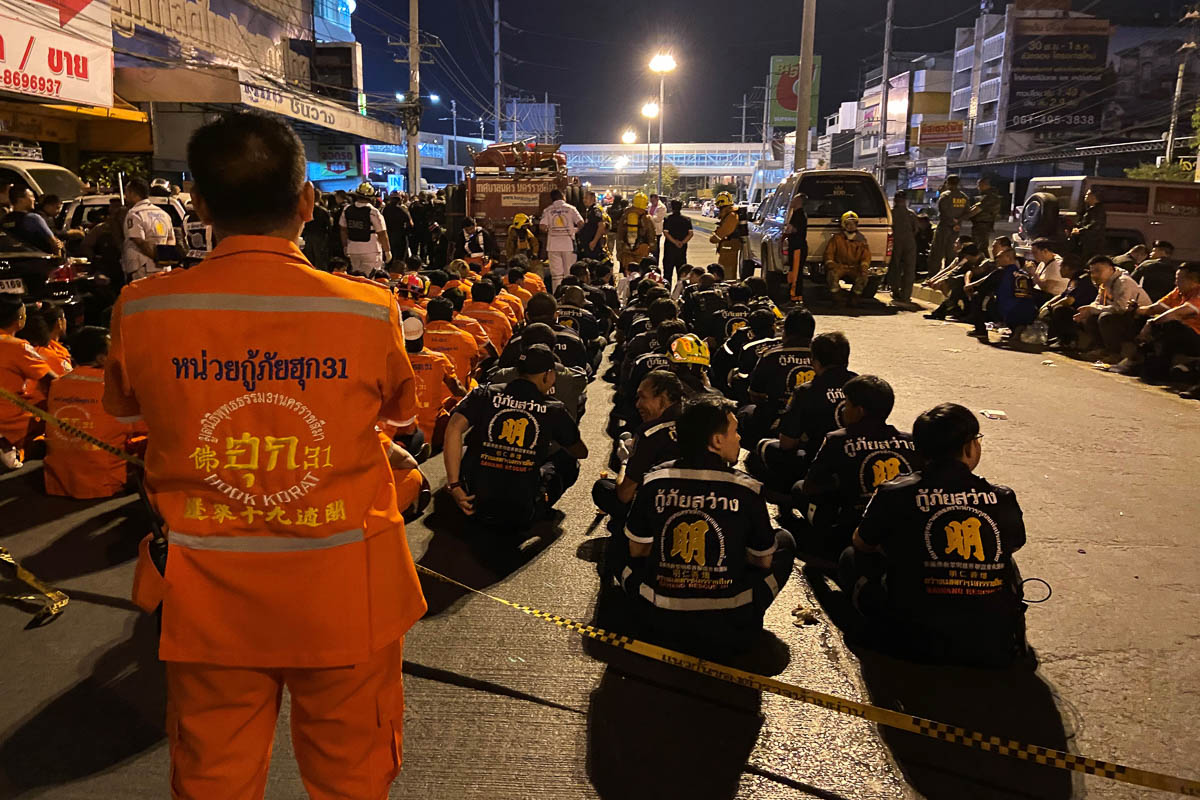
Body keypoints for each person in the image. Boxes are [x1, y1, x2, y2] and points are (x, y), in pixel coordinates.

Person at [101, 111, 425, 799]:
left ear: (203, 205)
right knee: (353, 779)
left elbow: (128, 413)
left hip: (209, 597)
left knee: (213, 779)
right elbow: (399, 416)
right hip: (347, 594)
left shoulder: (141, 310)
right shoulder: (369, 312)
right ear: (307, 204)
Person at [842, 402, 1030, 667]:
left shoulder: (894, 492)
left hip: (911, 639)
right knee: (1005, 561)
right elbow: (1014, 543)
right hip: (990, 642)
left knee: (851, 557)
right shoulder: (1001, 497)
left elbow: (862, 544)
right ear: (968, 447)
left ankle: (879, 624)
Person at [620, 393, 796, 656]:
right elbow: (762, 562)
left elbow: (638, 551)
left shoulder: (654, 480)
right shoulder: (747, 489)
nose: (739, 438)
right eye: (735, 431)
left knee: (618, 547)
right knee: (783, 542)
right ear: (716, 441)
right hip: (730, 627)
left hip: (656, 622)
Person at [443, 344, 588, 529]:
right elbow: (581, 451)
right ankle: (542, 508)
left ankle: (463, 493)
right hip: (523, 512)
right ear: (548, 375)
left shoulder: (485, 393)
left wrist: (454, 485)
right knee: (568, 459)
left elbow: (454, 428)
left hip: (476, 504)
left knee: (464, 448)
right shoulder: (553, 409)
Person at [797, 375, 916, 551]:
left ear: (859, 411)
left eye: (847, 404)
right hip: (897, 526)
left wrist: (840, 482)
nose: (843, 410)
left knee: (798, 489)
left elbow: (810, 486)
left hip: (851, 525)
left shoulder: (837, 439)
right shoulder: (910, 441)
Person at [44, 326, 148, 498]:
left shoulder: (57, 384)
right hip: (103, 482)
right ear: (102, 359)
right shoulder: (117, 389)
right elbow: (146, 427)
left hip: (58, 481)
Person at [750, 331, 855, 493]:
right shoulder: (861, 385)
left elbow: (787, 443)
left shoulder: (806, 391)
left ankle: (782, 496)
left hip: (817, 463)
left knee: (764, 447)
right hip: (854, 460)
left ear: (815, 361)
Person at [592, 369, 684, 534]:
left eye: (642, 397)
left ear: (663, 399)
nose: (637, 404)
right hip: (704, 504)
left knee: (602, 488)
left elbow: (624, 494)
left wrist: (626, 461)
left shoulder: (650, 432)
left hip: (662, 510)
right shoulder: (698, 421)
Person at [740, 308, 816, 446]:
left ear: (785, 332)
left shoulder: (770, 355)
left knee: (744, 412)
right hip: (814, 418)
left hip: (776, 417)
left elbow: (755, 395)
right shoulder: (821, 356)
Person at [1115, 262, 1200, 378]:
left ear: (1193, 280)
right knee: (1139, 318)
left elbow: (1177, 312)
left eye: (1179, 279)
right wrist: (1136, 310)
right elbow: (1153, 309)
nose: (1175, 283)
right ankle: (1135, 358)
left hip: (1195, 338)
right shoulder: (1178, 292)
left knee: (1169, 324)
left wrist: (1151, 323)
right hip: (1181, 335)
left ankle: (1154, 364)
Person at [0, 297, 57, 468]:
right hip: (9, 419)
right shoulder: (18, 347)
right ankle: (13, 447)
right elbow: (53, 380)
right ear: (20, 319)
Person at [490, 323, 588, 422]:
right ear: (553, 349)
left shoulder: (501, 377)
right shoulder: (572, 378)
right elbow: (583, 375)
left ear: (521, 348)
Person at [403, 316, 465, 451]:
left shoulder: (391, 359)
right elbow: (457, 389)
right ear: (423, 332)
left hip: (397, 430)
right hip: (432, 437)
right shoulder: (439, 360)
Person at [1072, 255, 1151, 361]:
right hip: (1124, 318)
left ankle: (1115, 353)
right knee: (1090, 317)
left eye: (1098, 271)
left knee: (1106, 317)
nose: (1094, 275)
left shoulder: (1123, 282)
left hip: (1137, 320)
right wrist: (1087, 310)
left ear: (1110, 269)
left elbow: (1120, 308)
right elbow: (1097, 302)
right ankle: (1101, 349)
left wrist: (1093, 309)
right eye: (1092, 272)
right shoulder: (1105, 284)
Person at [966, 245, 1038, 340]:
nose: (997, 260)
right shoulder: (1023, 274)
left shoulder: (1001, 272)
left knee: (977, 296)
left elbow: (982, 287)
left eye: (999, 257)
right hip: (1030, 314)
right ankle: (1014, 330)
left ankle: (980, 330)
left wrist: (970, 290)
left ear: (1008, 258)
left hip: (1009, 312)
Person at [121, 179, 176, 282]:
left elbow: (140, 241)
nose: (125, 196)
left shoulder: (134, 214)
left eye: (127, 192)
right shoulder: (163, 213)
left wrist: (157, 257)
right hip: (164, 269)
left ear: (133, 193)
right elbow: (171, 238)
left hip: (143, 269)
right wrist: (165, 258)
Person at [423, 296, 485, 386]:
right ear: (452, 317)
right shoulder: (467, 338)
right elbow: (474, 363)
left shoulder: (418, 338)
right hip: (458, 396)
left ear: (427, 316)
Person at [340, 182, 391, 275]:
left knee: (356, 278)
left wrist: (345, 246)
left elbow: (343, 230)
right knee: (371, 278)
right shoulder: (373, 212)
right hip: (371, 250)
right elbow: (382, 233)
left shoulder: (347, 210)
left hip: (353, 249)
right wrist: (387, 251)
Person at [824, 211, 872, 305]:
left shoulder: (861, 240)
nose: (851, 226)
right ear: (843, 224)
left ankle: (855, 297)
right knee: (832, 275)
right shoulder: (837, 238)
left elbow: (865, 255)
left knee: (863, 278)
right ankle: (837, 298)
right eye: (848, 224)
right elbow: (829, 252)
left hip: (855, 267)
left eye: (854, 223)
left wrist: (864, 268)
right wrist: (830, 264)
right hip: (839, 266)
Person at [540, 189, 583, 290]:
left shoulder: (548, 210)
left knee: (556, 275)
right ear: (563, 196)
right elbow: (581, 223)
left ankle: (557, 295)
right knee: (569, 273)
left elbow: (542, 226)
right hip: (568, 245)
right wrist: (574, 230)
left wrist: (551, 231)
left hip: (553, 246)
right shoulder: (571, 209)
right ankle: (569, 294)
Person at [1, 186, 62, 255]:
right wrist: (58, 260)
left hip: (11, 261)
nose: (34, 199)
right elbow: (54, 243)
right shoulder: (32, 218)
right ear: (21, 200)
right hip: (36, 261)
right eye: (31, 196)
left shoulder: (4, 220)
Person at [927, 176, 969, 273]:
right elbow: (967, 213)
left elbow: (943, 211)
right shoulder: (964, 197)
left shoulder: (945, 195)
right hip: (956, 229)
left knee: (937, 252)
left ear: (948, 183)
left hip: (944, 227)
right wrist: (958, 221)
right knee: (951, 253)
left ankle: (933, 275)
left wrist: (952, 221)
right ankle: (947, 276)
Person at [886, 191, 919, 308]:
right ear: (905, 200)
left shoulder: (891, 213)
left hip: (896, 242)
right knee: (909, 268)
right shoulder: (911, 214)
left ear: (895, 200)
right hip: (909, 242)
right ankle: (906, 295)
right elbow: (916, 230)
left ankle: (895, 291)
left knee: (895, 266)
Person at [461, 279, 514, 350]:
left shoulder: (462, 313)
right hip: (493, 359)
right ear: (493, 297)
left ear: (472, 296)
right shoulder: (500, 317)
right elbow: (508, 341)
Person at [615, 192, 657, 273]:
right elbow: (651, 234)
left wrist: (619, 251)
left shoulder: (625, 215)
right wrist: (652, 247)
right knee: (639, 271)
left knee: (627, 271)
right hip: (642, 249)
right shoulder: (647, 217)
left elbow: (619, 233)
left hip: (626, 249)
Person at [708, 192, 744, 275]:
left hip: (729, 246)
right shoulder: (729, 214)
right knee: (725, 270)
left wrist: (714, 238)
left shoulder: (731, 216)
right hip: (728, 246)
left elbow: (723, 232)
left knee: (727, 272)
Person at [965, 176, 1003, 252]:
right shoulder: (986, 196)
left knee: (980, 248)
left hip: (982, 225)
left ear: (986, 185)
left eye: (980, 185)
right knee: (979, 247)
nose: (978, 187)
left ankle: (985, 263)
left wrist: (963, 216)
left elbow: (976, 210)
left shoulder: (990, 197)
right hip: (981, 225)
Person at [784, 192, 809, 304]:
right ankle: (794, 296)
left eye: (794, 200)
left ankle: (795, 298)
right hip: (794, 247)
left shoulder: (799, 215)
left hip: (798, 248)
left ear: (799, 202)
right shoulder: (796, 213)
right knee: (792, 272)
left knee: (795, 274)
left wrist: (787, 229)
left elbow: (790, 230)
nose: (791, 202)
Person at [661, 199, 693, 286]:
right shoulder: (687, 220)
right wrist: (682, 242)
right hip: (681, 250)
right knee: (682, 274)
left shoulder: (667, 219)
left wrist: (674, 242)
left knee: (667, 274)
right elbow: (690, 233)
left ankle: (667, 291)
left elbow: (666, 233)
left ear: (671, 207)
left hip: (669, 249)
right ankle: (681, 293)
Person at [1070, 187, 1106, 262]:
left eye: (1087, 194)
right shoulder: (1090, 209)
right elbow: (1083, 222)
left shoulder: (1098, 210)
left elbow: (1095, 225)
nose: (1085, 196)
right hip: (1085, 242)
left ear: (1093, 196)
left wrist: (1080, 231)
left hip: (1092, 244)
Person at [1027, 237, 1068, 303]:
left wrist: (1034, 274)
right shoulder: (1043, 262)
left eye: (1035, 253)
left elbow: (1047, 288)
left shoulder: (1057, 265)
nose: (1033, 256)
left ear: (1045, 251)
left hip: (1052, 297)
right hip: (1040, 293)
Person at [302, 188, 332, 268]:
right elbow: (329, 226)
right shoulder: (323, 211)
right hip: (320, 237)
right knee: (321, 260)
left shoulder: (304, 210)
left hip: (307, 237)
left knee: (308, 259)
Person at [576, 191, 608, 260]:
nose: (584, 200)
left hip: (593, 246)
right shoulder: (590, 210)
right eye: (583, 198)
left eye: (586, 198)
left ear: (593, 198)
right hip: (588, 244)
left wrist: (594, 241)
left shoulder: (595, 210)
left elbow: (601, 226)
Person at [383, 192, 413, 264]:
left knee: (390, 257)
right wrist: (407, 232)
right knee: (401, 257)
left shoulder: (385, 209)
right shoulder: (402, 209)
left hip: (389, 235)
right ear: (399, 200)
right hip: (401, 236)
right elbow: (411, 223)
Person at [646, 193, 667, 266]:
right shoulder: (649, 206)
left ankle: (656, 264)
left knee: (656, 249)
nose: (652, 202)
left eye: (653, 200)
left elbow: (658, 218)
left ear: (657, 199)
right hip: (648, 230)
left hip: (656, 230)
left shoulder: (662, 207)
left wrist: (649, 217)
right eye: (651, 200)